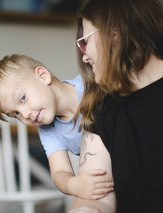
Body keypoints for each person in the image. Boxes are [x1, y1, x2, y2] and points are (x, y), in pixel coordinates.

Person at [0, 54, 114, 201]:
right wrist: (74, 184)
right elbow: (60, 171)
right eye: (15, 114)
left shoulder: (91, 85)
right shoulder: (48, 131)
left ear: (43, 75)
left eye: (23, 98)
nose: (25, 114)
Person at [73, 0, 163, 212]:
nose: (84, 56)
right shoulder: (101, 109)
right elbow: (96, 197)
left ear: (113, 34)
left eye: (85, 41)